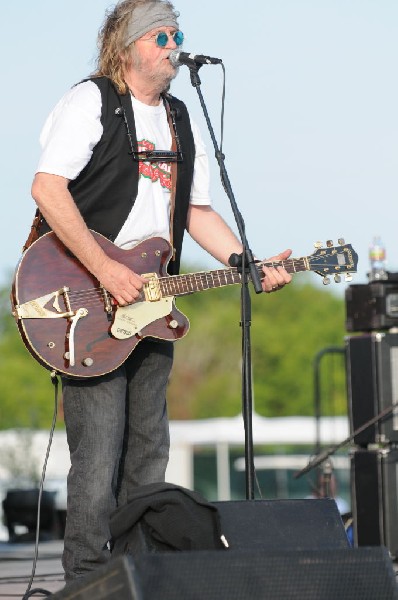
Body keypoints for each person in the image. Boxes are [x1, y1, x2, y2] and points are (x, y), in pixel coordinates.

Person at [30, 0, 292, 582]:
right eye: (163, 36)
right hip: (89, 302)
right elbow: (48, 188)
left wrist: (245, 263)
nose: (176, 45)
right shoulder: (92, 101)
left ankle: (140, 577)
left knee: (149, 451)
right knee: (97, 456)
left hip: (153, 302)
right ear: (128, 47)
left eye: (179, 34)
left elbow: (196, 210)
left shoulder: (179, 116)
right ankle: (85, 582)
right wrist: (104, 270)